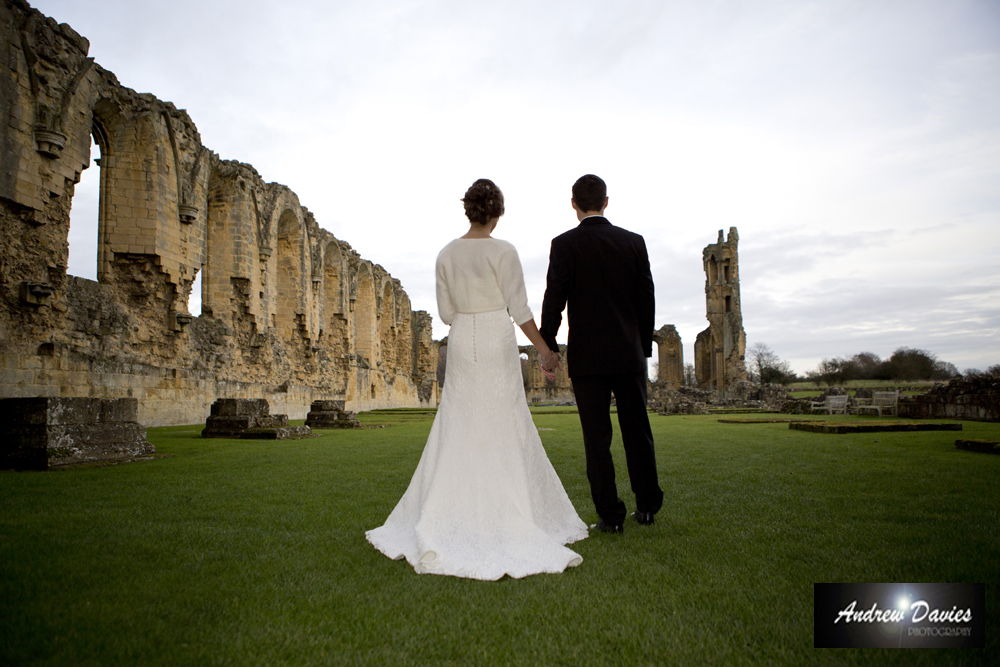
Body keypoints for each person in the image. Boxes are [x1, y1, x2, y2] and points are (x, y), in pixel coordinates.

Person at [366, 179, 588, 580]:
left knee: (459, 420)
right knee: (504, 419)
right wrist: (544, 351)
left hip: (462, 337)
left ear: (468, 210)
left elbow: (447, 313)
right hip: (495, 335)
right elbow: (519, 309)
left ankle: (446, 511)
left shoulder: (446, 254)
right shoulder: (504, 251)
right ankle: (512, 510)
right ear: (497, 213)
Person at [539, 174, 663, 533]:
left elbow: (554, 300)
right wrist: (640, 347)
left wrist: (549, 348)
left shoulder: (564, 244)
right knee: (637, 431)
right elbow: (646, 300)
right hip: (628, 355)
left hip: (588, 360)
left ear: (574, 204)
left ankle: (610, 516)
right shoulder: (634, 243)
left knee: (597, 439)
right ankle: (648, 506)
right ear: (606, 202)